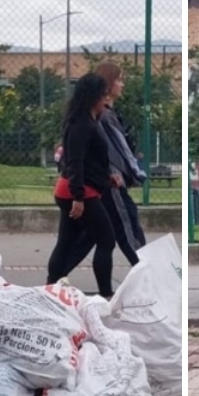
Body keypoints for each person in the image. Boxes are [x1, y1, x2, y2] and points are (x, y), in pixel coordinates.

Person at [45, 73, 117, 299]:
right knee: (106, 239)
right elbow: (75, 161)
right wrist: (78, 197)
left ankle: (49, 289)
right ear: (94, 97)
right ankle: (105, 294)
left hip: (77, 190)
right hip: (78, 192)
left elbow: (91, 160)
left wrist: (107, 177)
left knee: (66, 241)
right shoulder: (81, 125)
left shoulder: (86, 120)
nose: (106, 100)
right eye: (103, 95)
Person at [69, 61, 147, 267]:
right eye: (119, 80)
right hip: (110, 181)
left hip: (104, 181)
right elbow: (106, 151)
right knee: (127, 227)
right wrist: (117, 172)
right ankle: (146, 272)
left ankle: (57, 275)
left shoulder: (106, 114)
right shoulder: (103, 116)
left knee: (94, 236)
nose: (122, 85)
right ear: (108, 85)